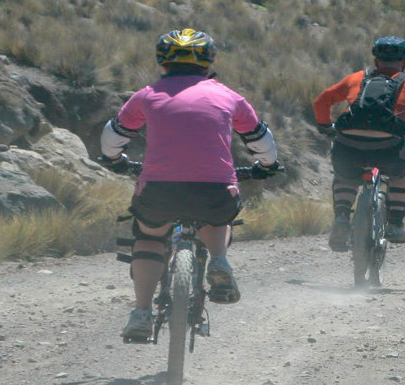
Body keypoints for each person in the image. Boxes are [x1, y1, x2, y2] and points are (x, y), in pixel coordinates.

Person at [99, 28, 281, 340]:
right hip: (215, 189)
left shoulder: (146, 95)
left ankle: (142, 313)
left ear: (162, 61)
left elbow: (112, 139)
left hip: (159, 189)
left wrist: (115, 160)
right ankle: (220, 261)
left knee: (149, 237)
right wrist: (267, 167)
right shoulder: (229, 97)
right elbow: (262, 141)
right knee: (218, 215)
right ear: (209, 61)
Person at [311, 36, 405, 252]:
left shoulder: (356, 78)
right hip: (388, 147)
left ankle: (341, 219)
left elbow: (321, 101)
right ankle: (395, 224)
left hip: (348, 144)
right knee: (403, 174)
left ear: (376, 60)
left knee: (345, 175)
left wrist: (325, 126)